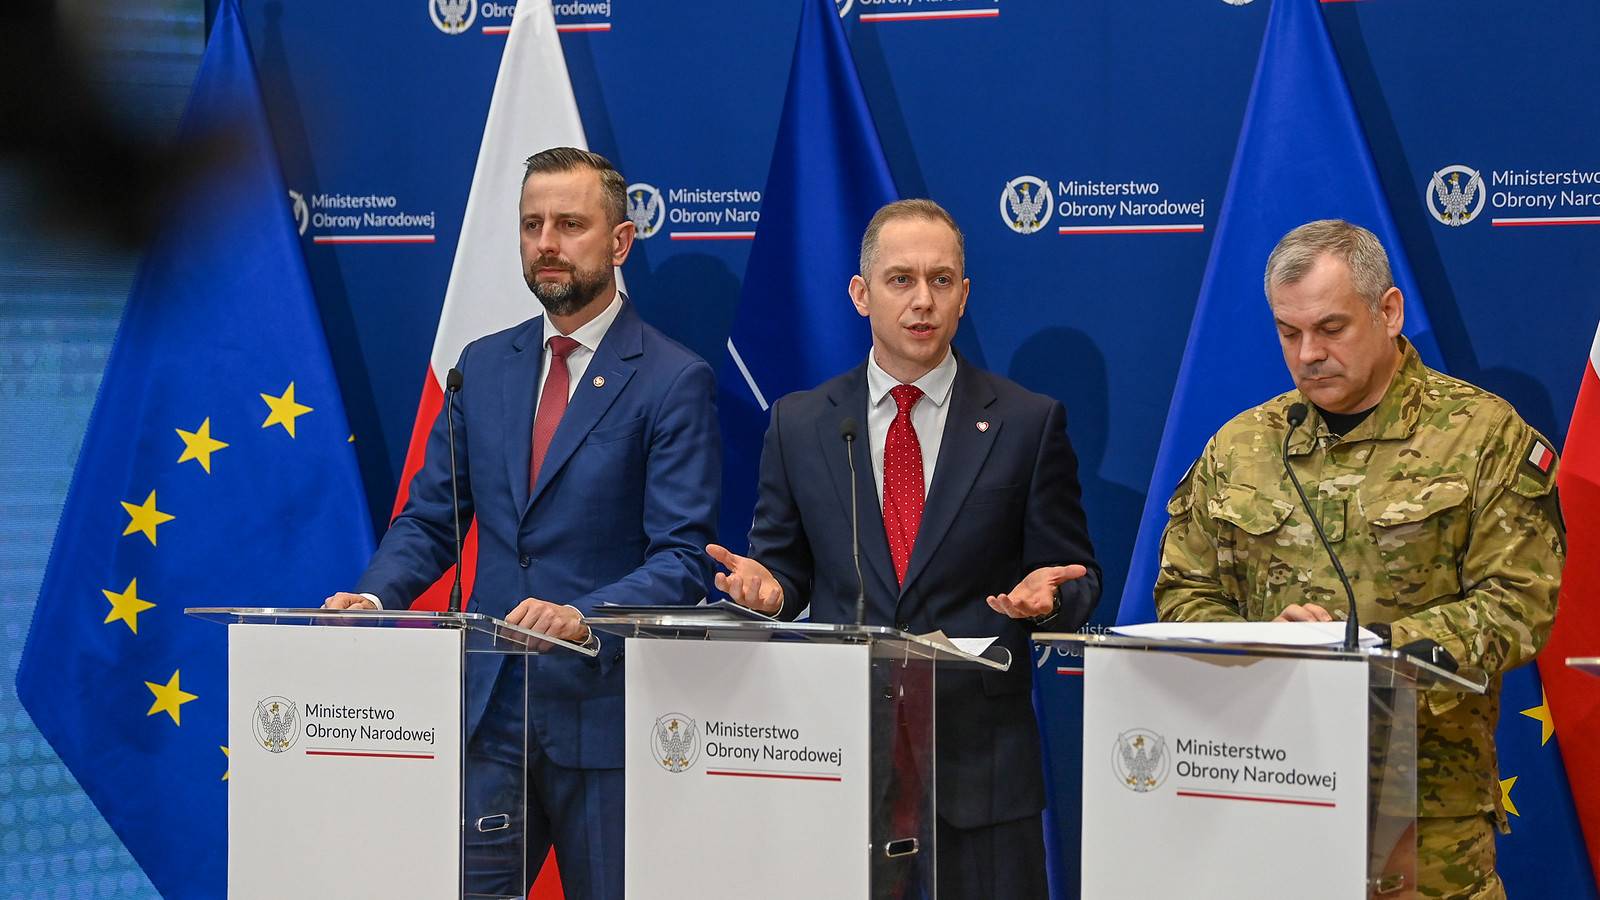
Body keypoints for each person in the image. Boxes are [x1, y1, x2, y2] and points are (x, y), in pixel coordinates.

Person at [324, 147, 720, 900]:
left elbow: (682, 559)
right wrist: (375, 597)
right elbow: (432, 517)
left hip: (606, 715)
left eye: (570, 224)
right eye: (532, 224)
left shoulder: (673, 379)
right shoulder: (482, 365)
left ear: (620, 241)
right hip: (490, 707)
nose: (547, 243)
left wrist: (582, 616)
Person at [1156, 219, 1563, 900]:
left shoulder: (1483, 436)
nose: (1309, 354)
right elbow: (1184, 593)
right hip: (1269, 785)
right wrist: (1266, 642)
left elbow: (1518, 604)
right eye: (1289, 332)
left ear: (1389, 311)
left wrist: (1368, 652)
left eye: (1331, 328)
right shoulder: (1241, 445)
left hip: (1426, 810)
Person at [709, 199, 1101, 899]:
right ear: (861, 294)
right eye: (901, 280)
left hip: (980, 774)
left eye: (941, 280)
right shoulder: (801, 423)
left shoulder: (1026, 422)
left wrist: (1050, 598)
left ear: (964, 295)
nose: (923, 300)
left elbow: (1077, 576)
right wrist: (767, 594)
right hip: (844, 760)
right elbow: (785, 570)